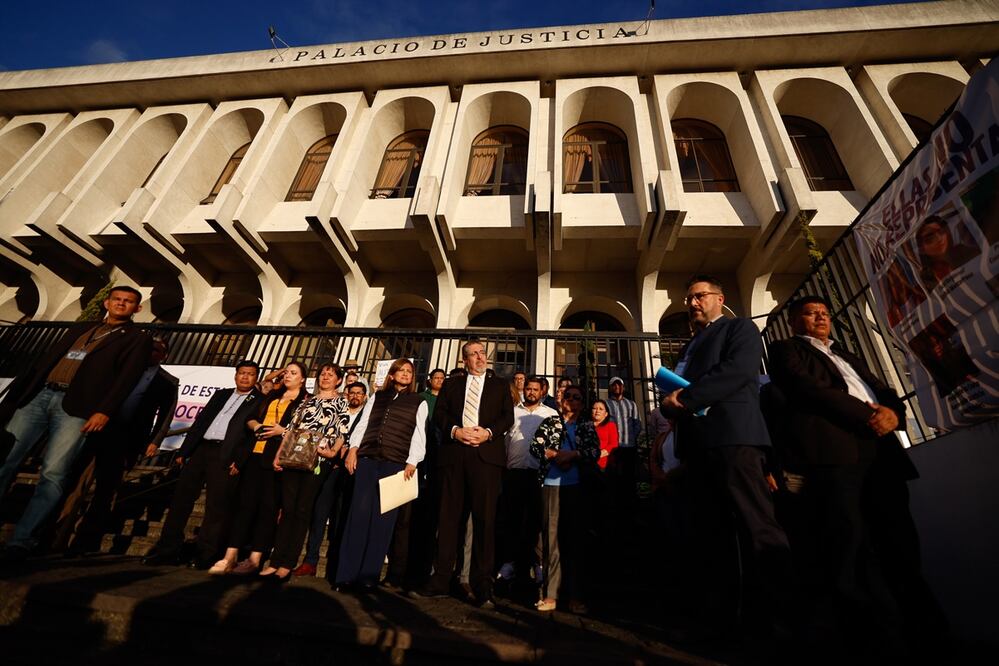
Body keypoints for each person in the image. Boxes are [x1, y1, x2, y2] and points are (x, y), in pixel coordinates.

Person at [767, 295, 946, 648]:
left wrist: (892, 413)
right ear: (793, 321)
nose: (820, 318)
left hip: (882, 452)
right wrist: (867, 415)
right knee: (850, 545)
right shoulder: (786, 350)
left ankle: (926, 631)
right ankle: (867, 635)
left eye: (824, 313)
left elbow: (883, 388)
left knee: (900, 542)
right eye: (810, 313)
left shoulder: (847, 353)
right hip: (837, 452)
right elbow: (810, 390)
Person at [661, 274, 792, 638]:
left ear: (719, 299)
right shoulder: (689, 346)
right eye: (689, 298)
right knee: (712, 532)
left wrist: (685, 399)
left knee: (755, 526)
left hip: (733, 438)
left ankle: (778, 616)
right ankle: (724, 617)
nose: (692, 303)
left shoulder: (739, 329)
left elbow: (736, 370)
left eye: (699, 296)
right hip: (698, 447)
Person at [0, 285, 152, 561]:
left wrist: (104, 411)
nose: (121, 304)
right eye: (117, 299)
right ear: (106, 302)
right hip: (40, 395)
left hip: (78, 407)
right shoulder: (82, 328)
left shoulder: (136, 338)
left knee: (54, 473)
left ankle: (22, 540)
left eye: (128, 301)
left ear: (137, 309)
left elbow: (127, 378)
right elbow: (45, 360)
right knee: (6, 460)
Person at [412, 339, 514, 608]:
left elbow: (508, 417)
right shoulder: (452, 384)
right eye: (474, 354)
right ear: (464, 360)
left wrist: (489, 432)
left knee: (485, 521)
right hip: (454, 455)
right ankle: (441, 579)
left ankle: (483, 584)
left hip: (486, 456)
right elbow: (440, 415)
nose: (480, 358)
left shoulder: (500, 385)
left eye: (483, 353)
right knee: (447, 519)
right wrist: (455, 431)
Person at [143, 360, 262, 567]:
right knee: (181, 501)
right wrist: (185, 450)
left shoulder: (259, 400)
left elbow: (252, 436)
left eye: (250, 374)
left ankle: (205, 555)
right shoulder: (221, 394)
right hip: (200, 450)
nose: (245, 377)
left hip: (226, 454)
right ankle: (167, 550)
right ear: (235, 375)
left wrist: (240, 461)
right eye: (242, 373)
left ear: (256, 378)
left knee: (216, 507)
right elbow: (201, 421)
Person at [64, 338, 178, 555]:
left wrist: (155, 440)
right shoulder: (122, 369)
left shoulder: (168, 381)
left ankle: (86, 540)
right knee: (78, 482)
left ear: (164, 355)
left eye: (155, 350)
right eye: (146, 348)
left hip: (128, 439)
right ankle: (58, 532)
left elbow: (166, 415)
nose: (149, 353)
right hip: (99, 431)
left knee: (107, 490)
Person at [334, 358, 427, 590]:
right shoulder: (377, 397)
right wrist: (353, 450)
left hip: (395, 464)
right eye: (401, 370)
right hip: (368, 459)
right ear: (392, 374)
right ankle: (345, 575)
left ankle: (368, 577)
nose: (405, 374)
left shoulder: (419, 401)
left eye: (409, 371)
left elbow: (419, 434)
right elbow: (364, 424)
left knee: (382, 522)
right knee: (358, 516)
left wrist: (412, 461)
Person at [211, 362, 309, 575]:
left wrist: (281, 432)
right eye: (286, 373)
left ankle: (255, 558)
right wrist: (256, 426)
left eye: (293, 373)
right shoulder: (272, 396)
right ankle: (230, 555)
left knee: (268, 509)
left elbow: (303, 433)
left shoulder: (305, 402)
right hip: (253, 455)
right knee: (244, 506)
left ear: (303, 379)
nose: (288, 376)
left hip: (276, 460)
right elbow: (250, 417)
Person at [263, 363, 349, 581]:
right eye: (322, 374)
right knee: (288, 508)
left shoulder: (341, 402)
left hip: (318, 460)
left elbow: (342, 430)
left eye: (331, 374)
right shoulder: (306, 402)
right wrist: (278, 455)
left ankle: (288, 562)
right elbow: (291, 430)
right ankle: (275, 560)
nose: (326, 377)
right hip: (293, 457)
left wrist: (333, 452)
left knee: (302, 510)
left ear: (339, 380)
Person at [530, 385, 600, 613]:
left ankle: (574, 596)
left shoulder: (586, 425)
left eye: (576, 397)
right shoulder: (551, 421)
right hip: (551, 483)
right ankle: (550, 595)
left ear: (581, 402)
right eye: (567, 396)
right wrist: (554, 454)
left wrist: (573, 454)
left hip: (575, 486)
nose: (571, 400)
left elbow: (593, 451)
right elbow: (536, 445)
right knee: (551, 541)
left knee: (574, 540)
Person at [296, 380, 367, 578]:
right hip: (330, 468)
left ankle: (335, 564)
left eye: (359, 393)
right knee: (319, 513)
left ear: (364, 397)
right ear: (346, 394)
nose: (355, 396)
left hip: (351, 471)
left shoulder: (366, 416)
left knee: (341, 517)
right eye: (351, 392)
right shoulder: (338, 410)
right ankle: (310, 561)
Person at [496, 375, 558, 593]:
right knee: (511, 519)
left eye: (535, 389)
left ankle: (537, 563)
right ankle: (509, 562)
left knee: (536, 522)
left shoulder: (550, 414)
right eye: (528, 388)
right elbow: (504, 441)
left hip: (538, 475)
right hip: (513, 473)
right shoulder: (513, 412)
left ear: (542, 392)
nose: (531, 392)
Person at [386, 368, 445, 588]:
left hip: (430, 466)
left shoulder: (440, 403)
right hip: (408, 464)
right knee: (400, 517)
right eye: (436, 378)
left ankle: (412, 570)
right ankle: (396, 569)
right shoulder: (420, 399)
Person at [914, 215, 979, 289]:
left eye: (941, 231)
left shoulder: (968, 250)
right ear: (921, 249)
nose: (939, 238)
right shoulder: (927, 278)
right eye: (930, 236)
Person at [605, 376, 641, 509]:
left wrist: (631, 437)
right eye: (614, 385)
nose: (617, 387)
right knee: (613, 477)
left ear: (623, 387)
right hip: (613, 447)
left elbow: (637, 423)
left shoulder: (631, 404)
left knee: (629, 477)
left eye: (619, 385)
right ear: (610, 388)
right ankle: (615, 506)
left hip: (629, 446)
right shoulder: (606, 404)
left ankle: (629, 506)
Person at [590, 399, 618, 471]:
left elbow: (613, 444)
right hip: (587, 463)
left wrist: (598, 455)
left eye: (601, 409)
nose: (597, 411)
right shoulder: (586, 425)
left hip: (603, 464)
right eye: (594, 408)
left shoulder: (611, 425)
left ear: (606, 414)